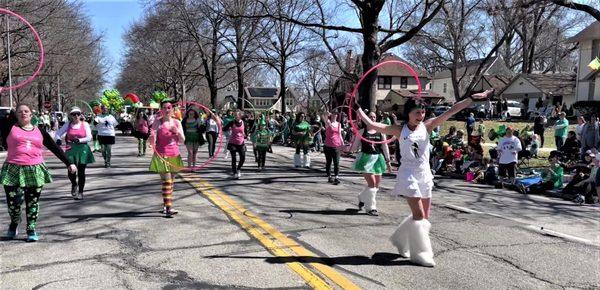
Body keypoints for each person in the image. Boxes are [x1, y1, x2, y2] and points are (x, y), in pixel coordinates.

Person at [359, 89, 494, 267]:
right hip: (408, 174)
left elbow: (451, 110)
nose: (420, 115)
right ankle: (421, 253)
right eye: (417, 112)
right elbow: (373, 125)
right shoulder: (399, 130)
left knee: (424, 216)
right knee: (419, 215)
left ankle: (401, 239)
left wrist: (472, 98)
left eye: (422, 112)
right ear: (408, 113)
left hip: (425, 173)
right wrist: (358, 109)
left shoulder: (428, 126)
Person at [1, 104, 77, 241]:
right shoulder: (9, 128)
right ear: (15, 115)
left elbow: (54, 147)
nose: (23, 113)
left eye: (26, 111)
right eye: (20, 112)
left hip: (35, 169)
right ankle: (14, 223)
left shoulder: (40, 131)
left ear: (31, 114)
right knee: (14, 203)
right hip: (13, 169)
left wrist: (68, 163)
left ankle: (31, 229)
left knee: (32, 202)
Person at [148, 100, 185, 218]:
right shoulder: (157, 123)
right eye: (164, 108)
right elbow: (151, 142)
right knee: (167, 181)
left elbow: (183, 140)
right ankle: (169, 208)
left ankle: (166, 205)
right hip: (161, 154)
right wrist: (152, 137)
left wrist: (177, 132)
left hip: (174, 154)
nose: (167, 110)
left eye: (169, 107)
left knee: (171, 182)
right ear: (161, 110)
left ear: (172, 110)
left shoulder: (177, 122)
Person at [350, 110, 391, 217]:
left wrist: (388, 160)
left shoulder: (381, 132)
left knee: (376, 186)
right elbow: (354, 147)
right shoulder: (362, 131)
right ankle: (371, 207)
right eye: (370, 117)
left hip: (378, 159)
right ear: (365, 118)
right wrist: (345, 148)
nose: (372, 118)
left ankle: (362, 198)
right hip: (366, 159)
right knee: (372, 184)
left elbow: (385, 146)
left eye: (374, 117)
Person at [55, 107, 95, 200]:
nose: (76, 116)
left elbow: (89, 137)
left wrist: (80, 140)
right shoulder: (68, 124)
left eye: (78, 113)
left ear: (80, 115)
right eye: (73, 114)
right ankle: (74, 184)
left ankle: (80, 192)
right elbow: (58, 133)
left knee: (81, 172)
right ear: (71, 116)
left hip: (82, 149)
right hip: (71, 149)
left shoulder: (84, 124)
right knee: (71, 171)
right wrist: (58, 140)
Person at [321, 110, 344, 185]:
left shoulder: (339, 124)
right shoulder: (328, 123)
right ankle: (329, 176)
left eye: (336, 114)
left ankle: (336, 177)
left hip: (336, 145)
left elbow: (340, 134)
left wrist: (342, 144)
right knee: (329, 162)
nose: (335, 116)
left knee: (336, 162)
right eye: (333, 114)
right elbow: (323, 116)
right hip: (328, 145)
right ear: (331, 115)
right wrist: (326, 113)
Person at [223, 111, 247, 179]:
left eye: (237, 115)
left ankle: (238, 169)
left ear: (240, 116)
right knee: (234, 158)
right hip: (232, 143)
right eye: (235, 115)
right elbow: (224, 129)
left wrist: (246, 135)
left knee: (243, 157)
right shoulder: (232, 122)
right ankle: (235, 172)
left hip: (241, 143)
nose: (236, 116)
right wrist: (227, 128)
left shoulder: (244, 123)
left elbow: (245, 133)